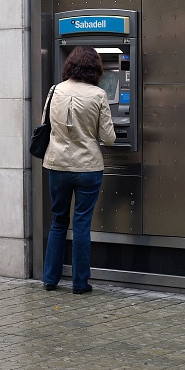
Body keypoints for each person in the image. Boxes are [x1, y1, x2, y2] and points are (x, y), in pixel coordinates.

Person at [41, 45, 116, 294]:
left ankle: (50, 280)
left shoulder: (55, 90)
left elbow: (45, 125)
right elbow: (109, 138)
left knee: (58, 221)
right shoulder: (98, 95)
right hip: (88, 167)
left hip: (57, 165)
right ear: (95, 67)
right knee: (82, 223)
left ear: (70, 65)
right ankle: (80, 283)